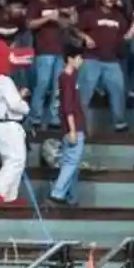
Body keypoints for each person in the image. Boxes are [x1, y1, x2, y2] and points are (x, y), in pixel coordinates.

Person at [0, 35, 33, 207]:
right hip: (8, 125)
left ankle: (10, 196)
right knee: (16, 160)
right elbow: (15, 104)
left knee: (10, 159)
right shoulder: (4, 81)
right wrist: (25, 105)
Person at [48, 43, 86, 206]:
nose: (82, 61)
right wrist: (72, 129)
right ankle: (57, 193)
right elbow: (67, 106)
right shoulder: (67, 79)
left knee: (73, 163)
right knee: (71, 163)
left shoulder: (70, 76)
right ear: (70, 59)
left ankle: (71, 196)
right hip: (73, 127)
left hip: (73, 126)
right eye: (79, 58)